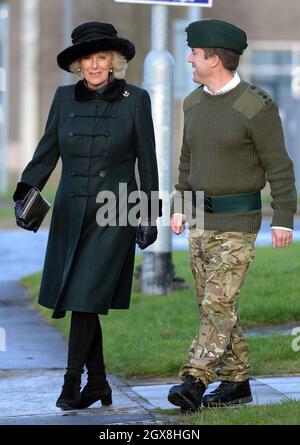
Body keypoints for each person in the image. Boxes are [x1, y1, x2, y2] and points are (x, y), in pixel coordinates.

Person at [13, 21, 161, 410]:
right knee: (84, 298)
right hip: (70, 212)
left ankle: (70, 384)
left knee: (83, 296)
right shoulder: (63, 99)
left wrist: (149, 213)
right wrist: (26, 192)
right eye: (87, 59)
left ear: (113, 62)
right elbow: (47, 152)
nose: (95, 66)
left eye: (102, 58)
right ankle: (98, 384)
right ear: (78, 64)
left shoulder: (136, 99)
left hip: (116, 213)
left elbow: (148, 160)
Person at [168, 19, 297, 411]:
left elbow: (279, 165)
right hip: (199, 222)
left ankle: (194, 379)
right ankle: (238, 382)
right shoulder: (193, 102)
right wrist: (179, 206)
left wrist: (282, 217)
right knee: (214, 304)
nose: (189, 58)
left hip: (239, 224)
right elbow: (186, 162)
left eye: (195, 53)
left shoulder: (254, 105)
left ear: (215, 58)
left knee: (217, 304)